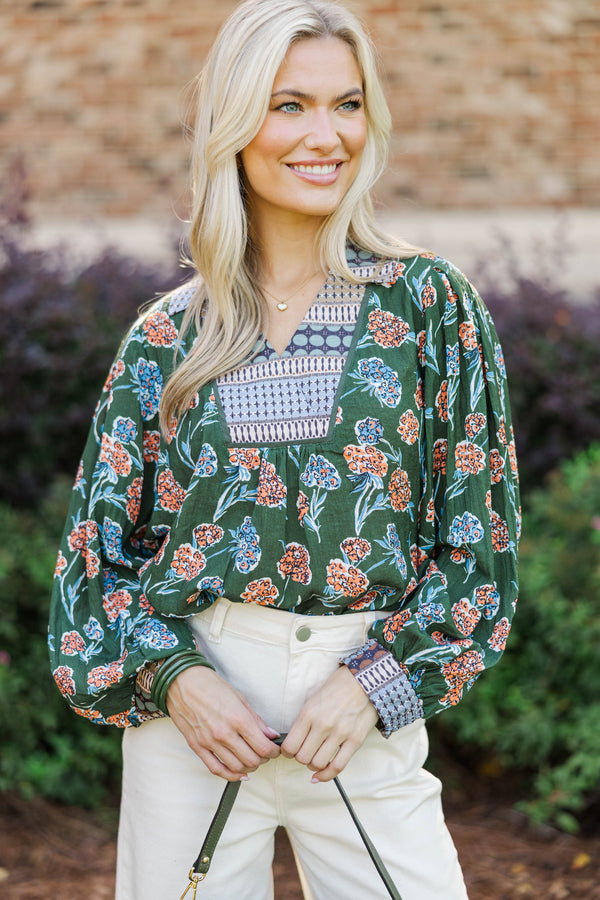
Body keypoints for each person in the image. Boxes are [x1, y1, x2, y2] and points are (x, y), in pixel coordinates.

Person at [49, 1, 520, 898]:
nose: (325, 136)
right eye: (289, 105)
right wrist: (175, 679)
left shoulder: (431, 307)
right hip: (195, 725)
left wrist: (375, 684)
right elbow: (95, 564)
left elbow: (478, 550)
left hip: (359, 714)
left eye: (347, 105)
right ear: (234, 122)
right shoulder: (166, 339)